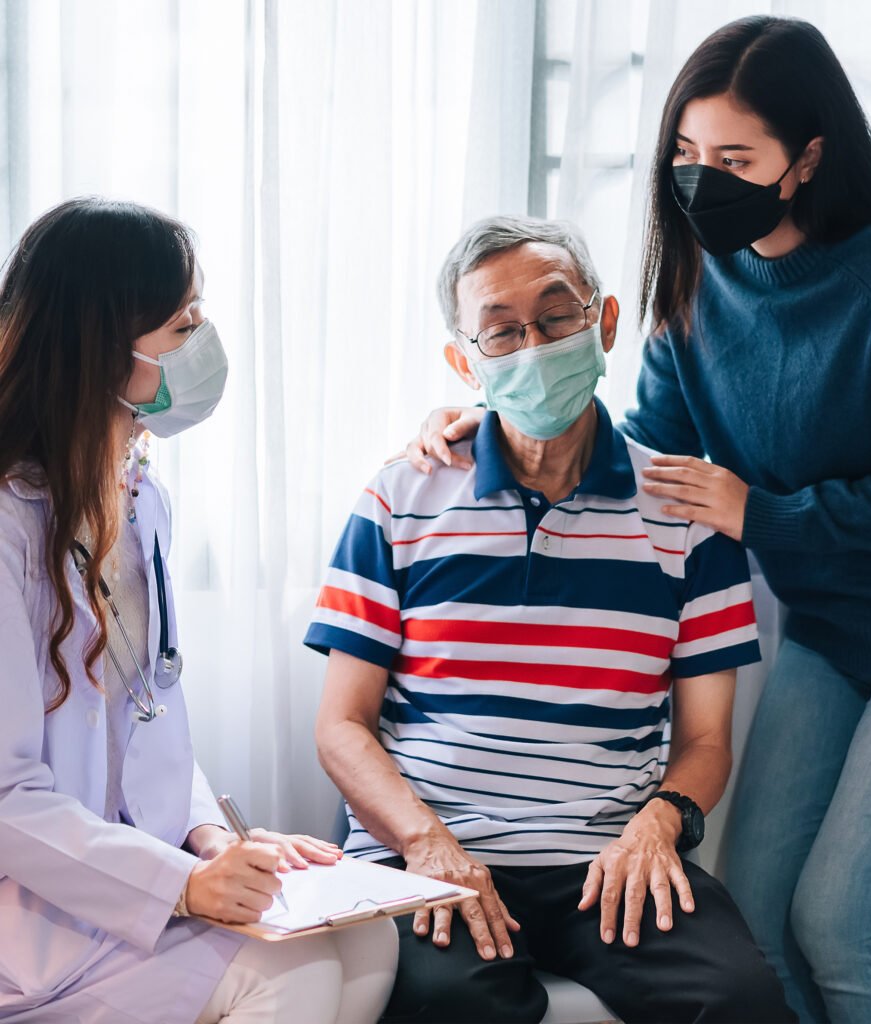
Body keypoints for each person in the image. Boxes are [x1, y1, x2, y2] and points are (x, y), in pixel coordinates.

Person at [403, 16, 871, 1024]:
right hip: (827, 629)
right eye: (684, 153)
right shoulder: (695, 284)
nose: (700, 180)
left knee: (842, 921)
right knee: (756, 911)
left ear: (805, 160)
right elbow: (642, 460)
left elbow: (737, 502)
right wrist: (495, 418)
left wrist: (763, 512)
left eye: (733, 159)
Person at [306, 215, 795, 1023]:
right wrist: (425, 843)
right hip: (432, 847)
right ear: (465, 361)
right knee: (448, 1005)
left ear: (603, 322)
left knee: (738, 1000)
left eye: (557, 315)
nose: (534, 346)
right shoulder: (400, 497)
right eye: (501, 331)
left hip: (609, 856)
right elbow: (340, 727)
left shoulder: (686, 516)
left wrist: (657, 826)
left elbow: (706, 741)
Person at [0, 197, 397, 1023]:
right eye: (183, 325)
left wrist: (211, 838)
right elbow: (6, 798)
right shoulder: (9, 526)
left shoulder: (137, 500)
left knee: (367, 936)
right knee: (289, 972)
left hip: (133, 872)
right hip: (34, 914)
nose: (203, 342)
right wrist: (184, 884)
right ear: (100, 348)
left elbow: (149, 712)